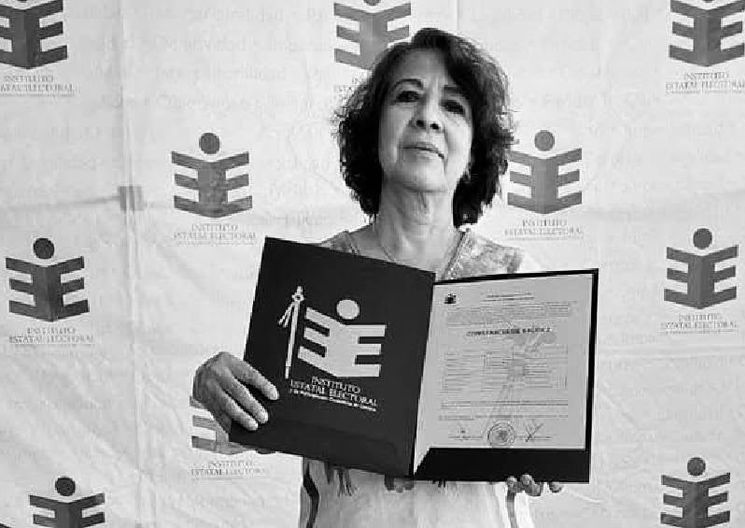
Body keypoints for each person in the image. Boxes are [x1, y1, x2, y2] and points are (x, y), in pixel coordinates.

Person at [192, 27, 563, 528]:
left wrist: (543, 456)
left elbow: (537, 446)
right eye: (407, 96)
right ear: (373, 131)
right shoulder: (314, 277)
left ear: (475, 151)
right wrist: (216, 386)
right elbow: (259, 419)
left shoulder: (514, 279)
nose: (428, 117)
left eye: (453, 107)